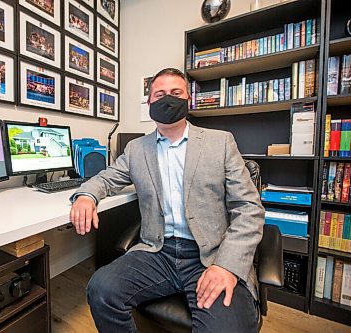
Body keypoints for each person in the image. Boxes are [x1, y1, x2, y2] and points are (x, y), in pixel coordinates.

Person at [69, 68, 265, 332]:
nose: (167, 99)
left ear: (188, 100)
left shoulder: (221, 142)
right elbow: (106, 178)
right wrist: (86, 195)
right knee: (101, 290)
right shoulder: (136, 149)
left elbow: (249, 208)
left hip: (211, 255)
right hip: (156, 252)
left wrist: (227, 266)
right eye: (159, 95)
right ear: (149, 104)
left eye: (176, 93)